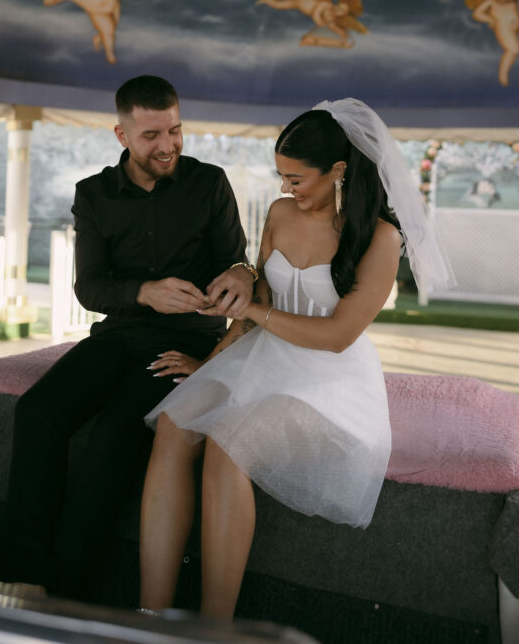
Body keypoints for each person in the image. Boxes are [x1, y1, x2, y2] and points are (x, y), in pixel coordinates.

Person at [139, 98, 454, 619]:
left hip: (327, 379)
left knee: (227, 447)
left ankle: (214, 627)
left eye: (297, 179)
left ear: (338, 171)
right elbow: (253, 298)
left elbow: (337, 336)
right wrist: (212, 363)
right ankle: (150, 613)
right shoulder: (281, 214)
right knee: (174, 423)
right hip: (259, 358)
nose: (286, 189)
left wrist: (257, 311)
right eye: (281, 177)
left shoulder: (380, 237)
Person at [0, 75, 256, 595]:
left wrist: (241, 274)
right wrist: (145, 292)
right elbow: (89, 288)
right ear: (122, 135)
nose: (168, 146)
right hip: (116, 336)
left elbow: (237, 259)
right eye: (151, 136)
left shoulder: (210, 183)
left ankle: (67, 590)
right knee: (36, 412)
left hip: (184, 345)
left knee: (115, 434)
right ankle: (24, 580)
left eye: (175, 131)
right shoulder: (92, 195)